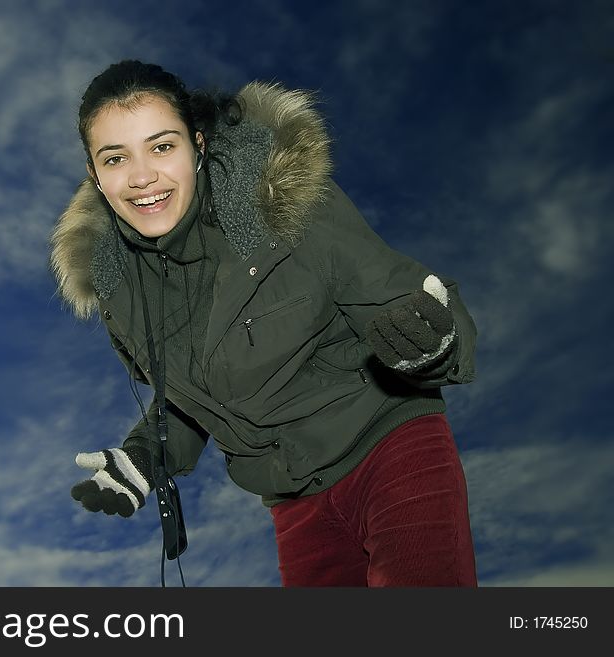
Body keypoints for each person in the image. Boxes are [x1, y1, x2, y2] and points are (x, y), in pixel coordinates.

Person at [50, 60, 478, 586]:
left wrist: (433, 339)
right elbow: (197, 396)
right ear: (95, 175)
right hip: (293, 499)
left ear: (198, 145)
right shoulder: (121, 286)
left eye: (162, 146)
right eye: (116, 158)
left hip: (387, 451)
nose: (142, 177)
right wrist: (145, 456)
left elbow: (402, 297)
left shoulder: (278, 204)